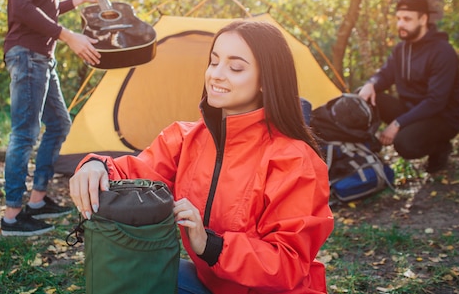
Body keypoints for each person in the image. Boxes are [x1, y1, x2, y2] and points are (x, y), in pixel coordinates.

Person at [70, 20, 334, 293]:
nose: (216, 75)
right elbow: (137, 173)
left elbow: (289, 262)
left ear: (266, 81)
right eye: (214, 61)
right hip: (212, 283)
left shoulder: (295, 160)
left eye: (235, 67)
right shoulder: (187, 138)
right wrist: (95, 166)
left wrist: (209, 244)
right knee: (131, 273)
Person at [1, 0, 104, 236]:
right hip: (27, 53)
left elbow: (46, 8)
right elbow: (23, 9)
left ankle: (37, 200)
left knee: (59, 124)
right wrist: (68, 36)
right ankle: (12, 216)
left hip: (42, 57)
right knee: (25, 133)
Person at [358, 0, 459, 173]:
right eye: (398, 18)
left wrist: (398, 123)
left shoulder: (442, 51)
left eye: (407, 19)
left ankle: (440, 147)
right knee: (362, 96)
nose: (400, 24)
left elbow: (436, 101)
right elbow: (385, 75)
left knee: (405, 144)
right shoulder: (401, 49)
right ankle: (361, 152)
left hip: (441, 117)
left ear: (423, 19)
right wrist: (371, 84)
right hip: (411, 109)